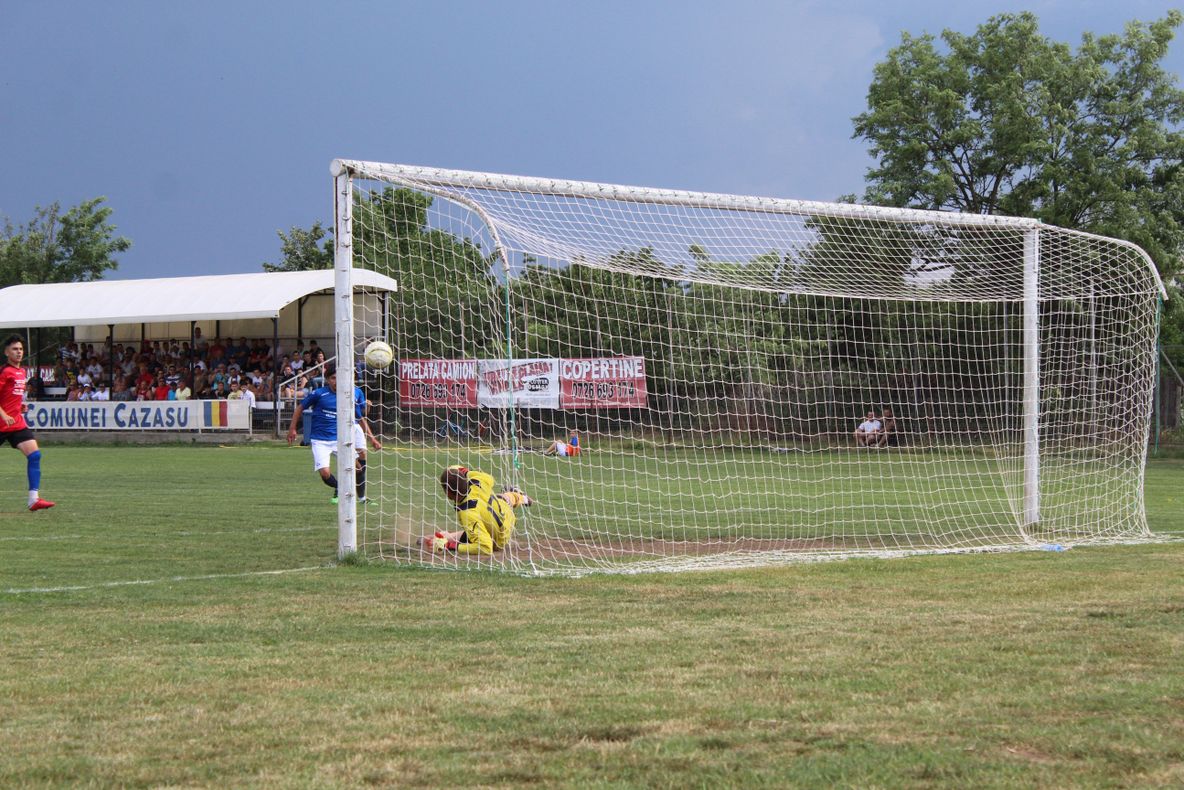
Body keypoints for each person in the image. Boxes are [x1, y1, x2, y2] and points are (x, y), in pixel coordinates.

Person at [286, 365, 378, 504]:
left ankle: (361, 498)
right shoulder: (319, 394)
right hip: (319, 440)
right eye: (333, 378)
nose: (336, 381)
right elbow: (300, 408)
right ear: (328, 380)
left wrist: (372, 439)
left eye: (338, 378)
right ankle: (342, 489)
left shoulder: (348, 396)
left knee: (358, 469)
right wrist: (292, 429)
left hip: (339, 440)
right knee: (325, 473)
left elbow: (359, 419)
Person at [425, 465, 532, 555]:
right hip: (504, 514)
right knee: (503, 498)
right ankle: (523, 498)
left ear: (448, 492)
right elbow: (490, 479)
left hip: (499, 541)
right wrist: (467, 472)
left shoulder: (466, 512)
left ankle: (522, 497)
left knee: (503, 497)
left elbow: (486, 548)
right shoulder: (477, 481)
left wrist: (451, 546)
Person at [0, 335, 54, 511]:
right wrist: (3, 414)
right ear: (6, 352)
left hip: (16, 424)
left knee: (35, 455)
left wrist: (19, 406)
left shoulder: (22, 372)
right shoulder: (4, 371)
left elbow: (10, 396)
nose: (19, 352)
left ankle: (33, 499)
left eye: (21, 349)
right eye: (15, 349)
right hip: (2, 423)